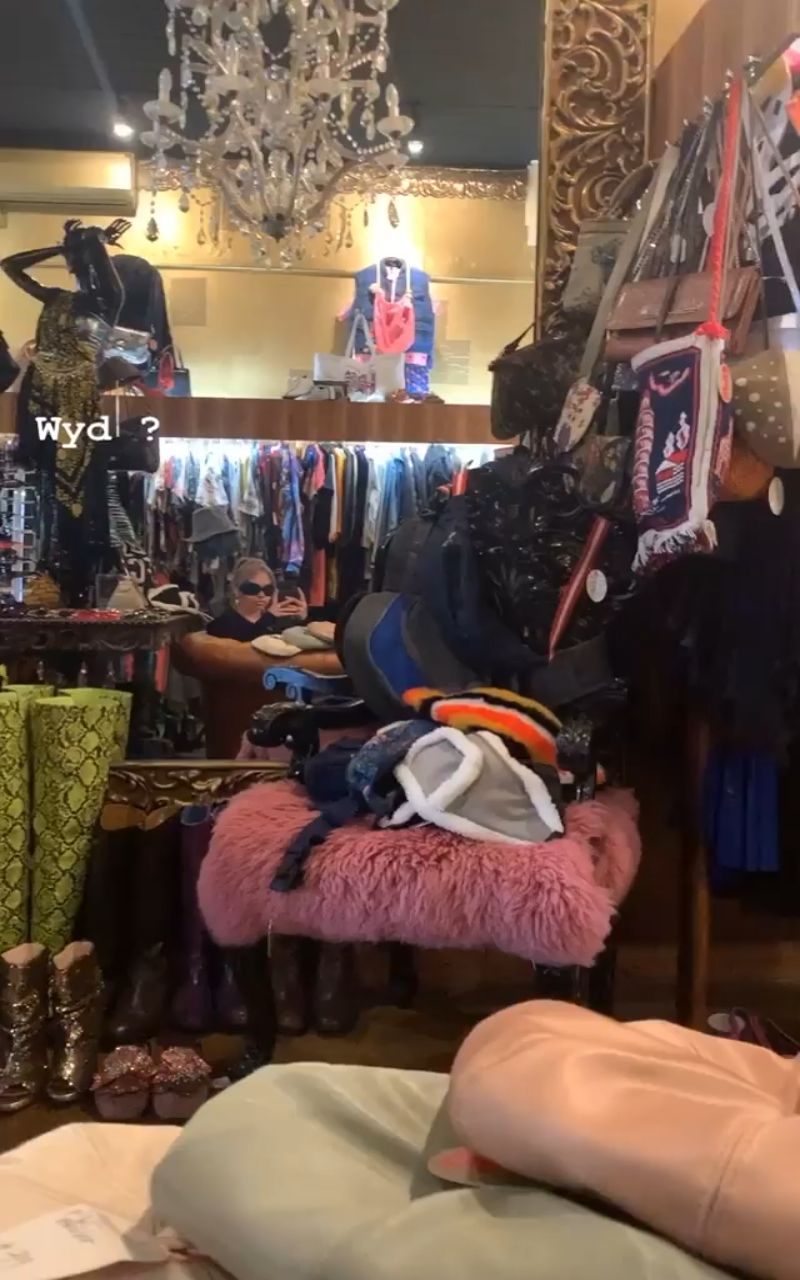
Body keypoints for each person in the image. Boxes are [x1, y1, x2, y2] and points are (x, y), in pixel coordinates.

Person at [207, 558, 307, 643]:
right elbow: (249, 643)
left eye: (267, 589)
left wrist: (302, 620)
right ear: (236, 590)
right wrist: (269, 617)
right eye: (253, 588)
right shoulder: (222, 623)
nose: (261, 595)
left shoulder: (275, 621)